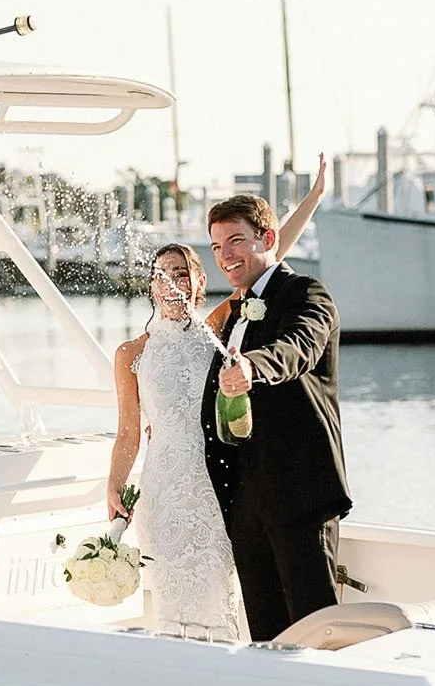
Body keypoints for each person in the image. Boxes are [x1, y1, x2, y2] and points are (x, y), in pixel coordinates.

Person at [106, 171, 325, 642]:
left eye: (181, 274)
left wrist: (313, 199)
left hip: (213, 487)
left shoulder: (218, 329)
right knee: (167, 601)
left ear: (199, 283)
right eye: (161, 275)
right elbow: (128, 433)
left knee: (215, 598)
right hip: (161, 490)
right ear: (150, 286)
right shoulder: (131, 355)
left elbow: (269, 255)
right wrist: (115, 491)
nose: (170, 283)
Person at [202, 190, 349, 642]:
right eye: (217, 246)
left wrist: (252, 366)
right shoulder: (235, 311)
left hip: (298, 493)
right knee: (264, 633)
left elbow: (299, 347)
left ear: (268, 238)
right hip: (245, 498)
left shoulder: (306, 293)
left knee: (315, 628)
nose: (226, 255)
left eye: (236, 241)